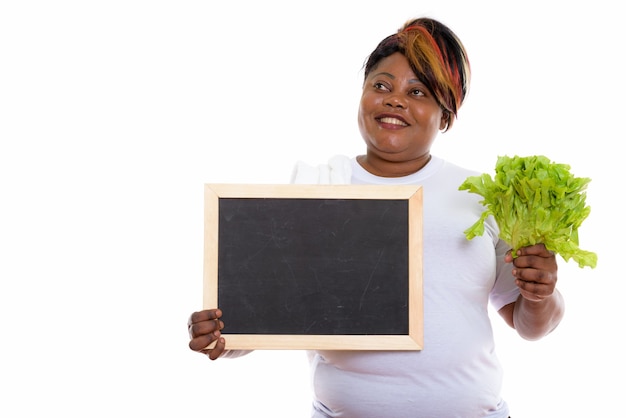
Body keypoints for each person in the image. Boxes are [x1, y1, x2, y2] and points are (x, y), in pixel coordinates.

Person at [187, 17, 564, 417]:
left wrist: (541, 294)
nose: (394, 100)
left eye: (416, 91)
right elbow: (274, 313)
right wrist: (222, 335)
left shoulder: (482, 196)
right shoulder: (320, 187)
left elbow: (531, 326)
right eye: (381, 85)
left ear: (446, 115)